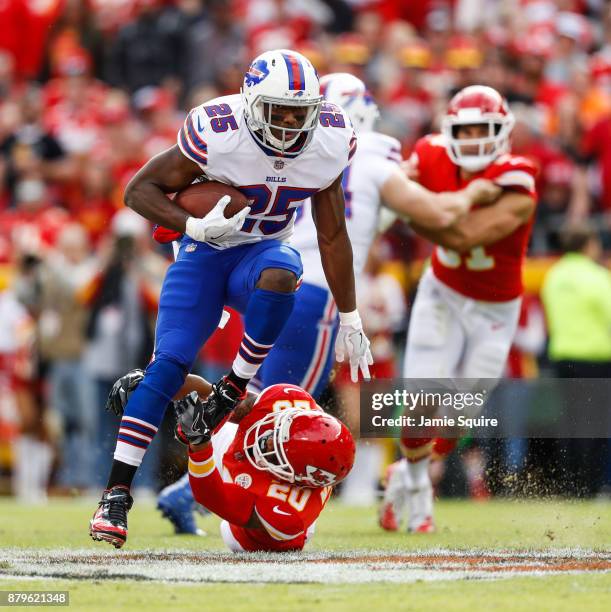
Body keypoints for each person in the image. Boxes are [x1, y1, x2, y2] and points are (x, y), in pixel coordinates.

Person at [154, 72, 500, 533]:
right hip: (315, 295)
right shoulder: (370, 155)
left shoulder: (296, 155)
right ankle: (200, 489)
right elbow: (412, 217)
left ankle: (192, 472)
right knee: (279, 409)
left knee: (257, 398)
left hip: (274, 280)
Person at [89, 49, 372, 548]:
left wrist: (351, 317)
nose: (287, 124)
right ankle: (116, 495)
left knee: (286, 269)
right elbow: (139, 190)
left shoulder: (330, 139)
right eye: (276, 111)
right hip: (202, 252)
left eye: (297, 113)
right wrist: (194, 224)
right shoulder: (218, 128)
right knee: (168, 365)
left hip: (259, 254)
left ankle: (231, 387)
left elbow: (332, 235)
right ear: (249, 103)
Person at [380, 85, 538, 534]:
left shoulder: (519, 179)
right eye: (463, 130)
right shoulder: (430, 154)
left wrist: (414, 211)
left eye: (481, 130)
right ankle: (415, 485)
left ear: (501, 132)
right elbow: (390, 187)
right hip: (442, 292)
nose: (471, 140)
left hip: (495, 308)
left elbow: (464, 237)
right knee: (424, 397)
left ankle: (406, 475)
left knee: (462, 410)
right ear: (448, 130)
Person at [107, 371, 355, 551]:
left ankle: (182, 497)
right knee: (219, 409)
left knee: (203, 434)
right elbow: (220, 396)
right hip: (254, 459)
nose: (265, 439)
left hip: (254, 536)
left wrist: (199, 444)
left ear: (296, 478)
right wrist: (158, 383)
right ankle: (180, 497)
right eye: (276, 431)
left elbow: (213, 497)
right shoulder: (289, 402)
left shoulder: (288, 514)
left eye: (274, 448)